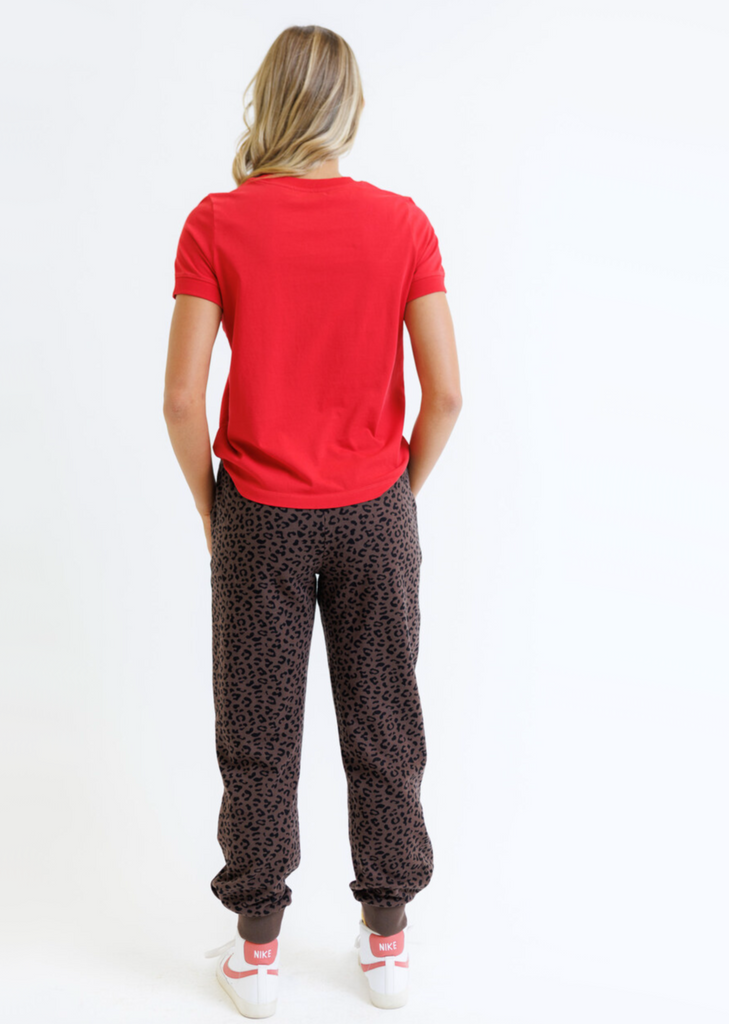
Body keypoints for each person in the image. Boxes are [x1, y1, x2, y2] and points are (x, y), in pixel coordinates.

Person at [163, 24, 461, 1017]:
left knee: (258, 729)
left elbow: (179, 402)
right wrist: (393, 499)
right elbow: (448, 393)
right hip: (375, 509)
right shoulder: (404, 224)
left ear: (267, 103)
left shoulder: (217, 223)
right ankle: (387, 946)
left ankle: (255, 955)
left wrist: (220, 516)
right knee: (385, 720)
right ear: (351, 111)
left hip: (260, 513)